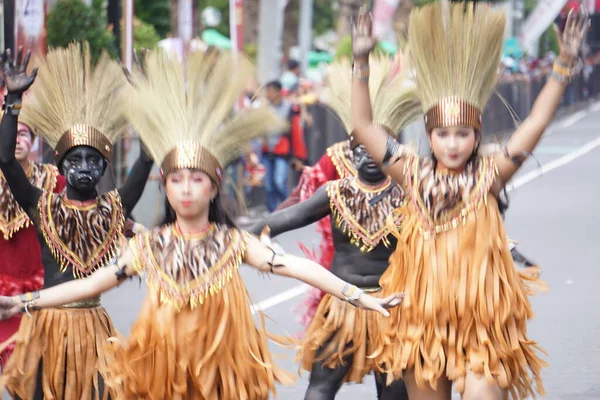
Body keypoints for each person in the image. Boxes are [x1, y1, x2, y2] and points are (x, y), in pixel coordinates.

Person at [0, 50, 404, 400]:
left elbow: (297, 267)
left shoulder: (232, 242)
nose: (187, 189)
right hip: (162, 369)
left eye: (197, 179)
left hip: (219, 367)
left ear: (214, 188)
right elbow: (91, 285)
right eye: (177, 179)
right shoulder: (148, 245)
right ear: (166, 186)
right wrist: (24, 303)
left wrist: (357, 296)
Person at [350, 3, 589, 399]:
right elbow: (363, 126)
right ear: (430, 137)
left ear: (476, 137)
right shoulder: (410, 173)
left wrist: (563, 65)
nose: (453, 143)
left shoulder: (491, 174)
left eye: (463, 133)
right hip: (422, 327)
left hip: (482, 329)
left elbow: (535, 123)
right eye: (443, 134)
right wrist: (360, 59)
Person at [249, 58, 419, 400]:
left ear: (394, 152)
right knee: (321, 388)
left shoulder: (411, 192)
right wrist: (235, 237)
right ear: (350, 154)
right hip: (343, 306)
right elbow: (284, 218)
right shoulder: (335, 192)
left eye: (378, 149)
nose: (370, 156)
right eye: (362, 150)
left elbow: (453, 223)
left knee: (394, 393)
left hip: (394, 307)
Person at [0, 43, 153, 399]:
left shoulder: (115, 208)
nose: (84, 167)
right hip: (46, 326)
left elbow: (147, 159)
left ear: (105, 167)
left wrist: (146, 100)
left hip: (94, 329)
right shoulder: (43, 207)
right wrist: (12, 102)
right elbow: (6, 161)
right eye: (75, 159)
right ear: (60, 163)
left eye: (93, 160)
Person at [0, 121, 66, 369]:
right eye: (10, 134)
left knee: (32, 379)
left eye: (23, 133)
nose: (16, 140)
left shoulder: (53, 181)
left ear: (34, 139)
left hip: (39, 296)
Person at [262, 80, 307, 211]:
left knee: (279, 182)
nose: (268, 94)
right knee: (268, 185)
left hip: (282, 151)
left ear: (277, 92)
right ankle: (272, 213)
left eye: (270, 91)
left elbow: (296, 133)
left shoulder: (289, 109)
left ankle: (286, 210)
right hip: (267, 151)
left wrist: (298, 156)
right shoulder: (264, 110)